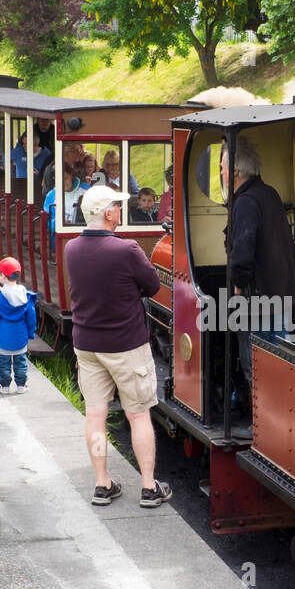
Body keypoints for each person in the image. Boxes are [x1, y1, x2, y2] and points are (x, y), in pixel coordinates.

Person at [63, 184, 171, 508]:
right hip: (126, 345)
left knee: (94, 415)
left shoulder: (71, 249)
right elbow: (152, 287)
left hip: (87, 344)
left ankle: (102, 485)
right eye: (118, 207)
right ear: (108, 212)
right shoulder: (127, 250)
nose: (121, 212)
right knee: (138, 415)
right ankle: (149, 487)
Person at [223, 137, 295, 424]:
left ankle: (267, 429)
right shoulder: (268, 193)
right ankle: (284, 425)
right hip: (282, 296)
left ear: (234, 171)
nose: (220, 172)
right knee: (281, 365)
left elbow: (242, 249)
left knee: (256, 366)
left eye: (222, 167)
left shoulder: (245, 201)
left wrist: (237, 286)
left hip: (259, 301)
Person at [0, 256, 38, 395]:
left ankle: (4, 386)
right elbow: (31, 317)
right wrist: (31, 332)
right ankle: (21, 385)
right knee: (21, 363)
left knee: (3, 364)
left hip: (2, 338)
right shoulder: (26, 296)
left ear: (2, 276)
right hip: (20, 336)